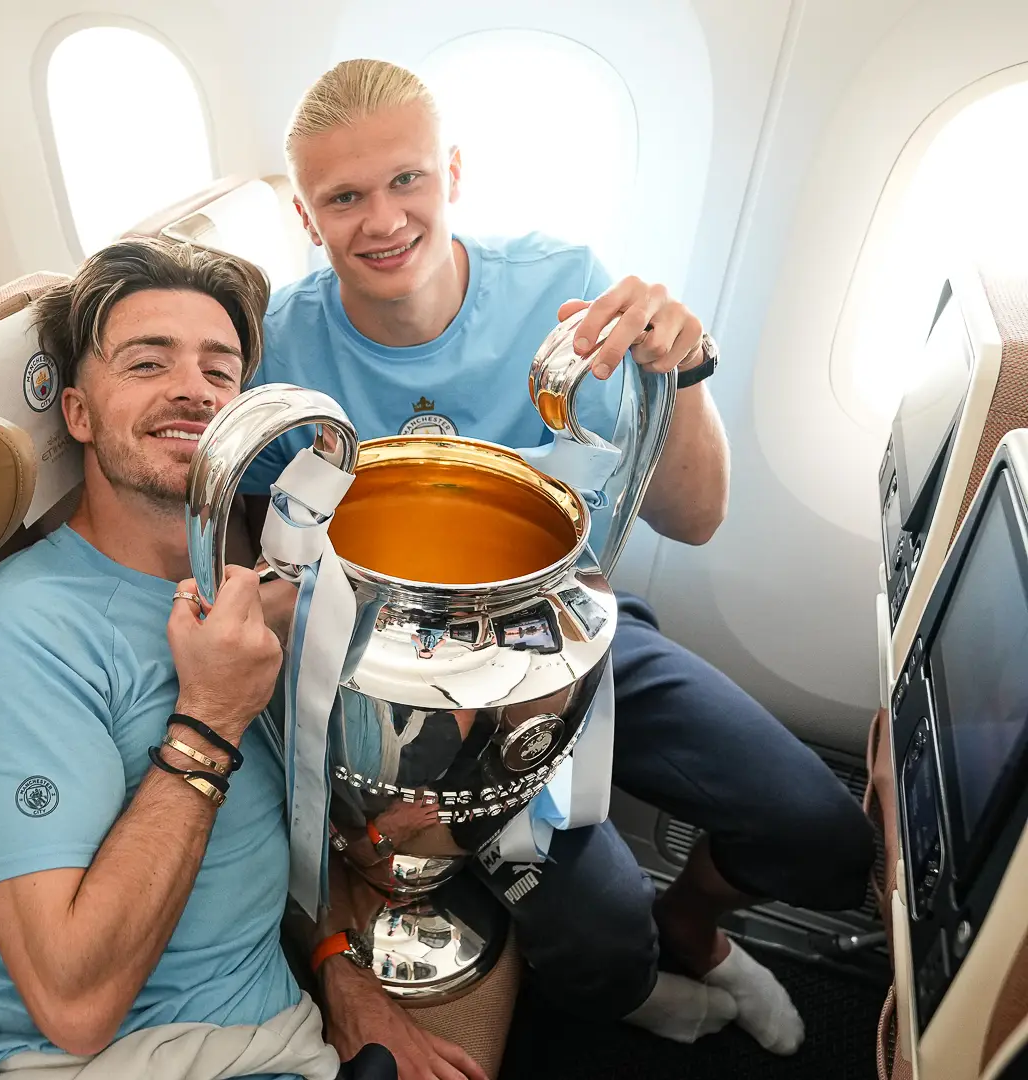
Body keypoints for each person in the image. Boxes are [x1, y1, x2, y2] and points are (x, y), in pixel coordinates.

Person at [241, 59, 878, 1059]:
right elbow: (263, 560)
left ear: (452, 170)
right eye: (345, 197)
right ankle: (636, 974)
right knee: (595, 943)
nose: (384, 218)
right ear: (305, 215)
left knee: (825, 837)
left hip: (567, 637)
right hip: (407, 698)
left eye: (407, 179)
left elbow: (697, 518)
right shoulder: (278, 346)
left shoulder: (563, 291)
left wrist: (685, 376)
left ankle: (695, 926)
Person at [0, 236, 483, 1080]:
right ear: (77, 414)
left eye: (222, 373)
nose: (193, 389)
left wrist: (339, 970)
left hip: (277, 1030)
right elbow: (73, 1006)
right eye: (147, 363)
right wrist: (212, 714)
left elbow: (241, 859)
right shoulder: (12, 638)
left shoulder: (248, 594)